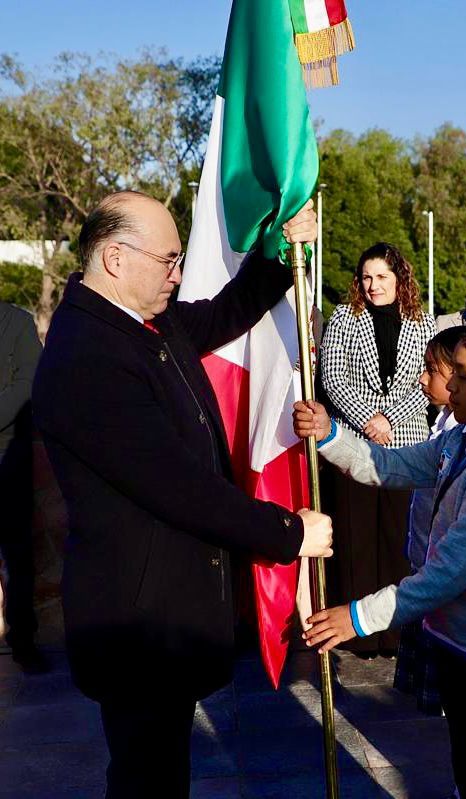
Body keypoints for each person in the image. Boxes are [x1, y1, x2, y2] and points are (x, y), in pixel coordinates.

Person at [32, 190, 333, 799]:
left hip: (160, 615)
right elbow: (181, 489)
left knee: (162, 773)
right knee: (147, 779)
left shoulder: (140, 322)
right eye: (167, 261)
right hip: (138, 626)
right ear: (115, 258)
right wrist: (290, 533)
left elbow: (225, 313)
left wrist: (281, 247)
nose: (177, 273)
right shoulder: (87, 356)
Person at [296, 320, 466, 799]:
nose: (448, 385)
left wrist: (359, 617)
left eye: (464, 377)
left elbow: (450, 572)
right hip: (455, 639)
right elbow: (390, 466)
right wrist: (329, 436)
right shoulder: (463, 437)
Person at [319, 242, 436, 657]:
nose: (373, 285)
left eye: (382, 277)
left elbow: (429, 382)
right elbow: (331, 377)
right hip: (354, 442)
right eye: (367, 277)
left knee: (399, 538)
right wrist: (369, 418)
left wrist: (389, 419)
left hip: (407, 444)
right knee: (356, 537)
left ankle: (398, 631)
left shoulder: (424, 323)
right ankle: (358, 634)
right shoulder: (343, 318)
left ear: (399, 279)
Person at [394, 325, 464, 716]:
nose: (422, 378)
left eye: (430, 370)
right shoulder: (441, 423)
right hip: (424, 561)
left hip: (439, 577)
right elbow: (393, 467)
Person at [0, 301, 47, 673]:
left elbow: (28, 386)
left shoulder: (16, 321)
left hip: (7, 456)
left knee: (18, 554)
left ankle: (23, 640)